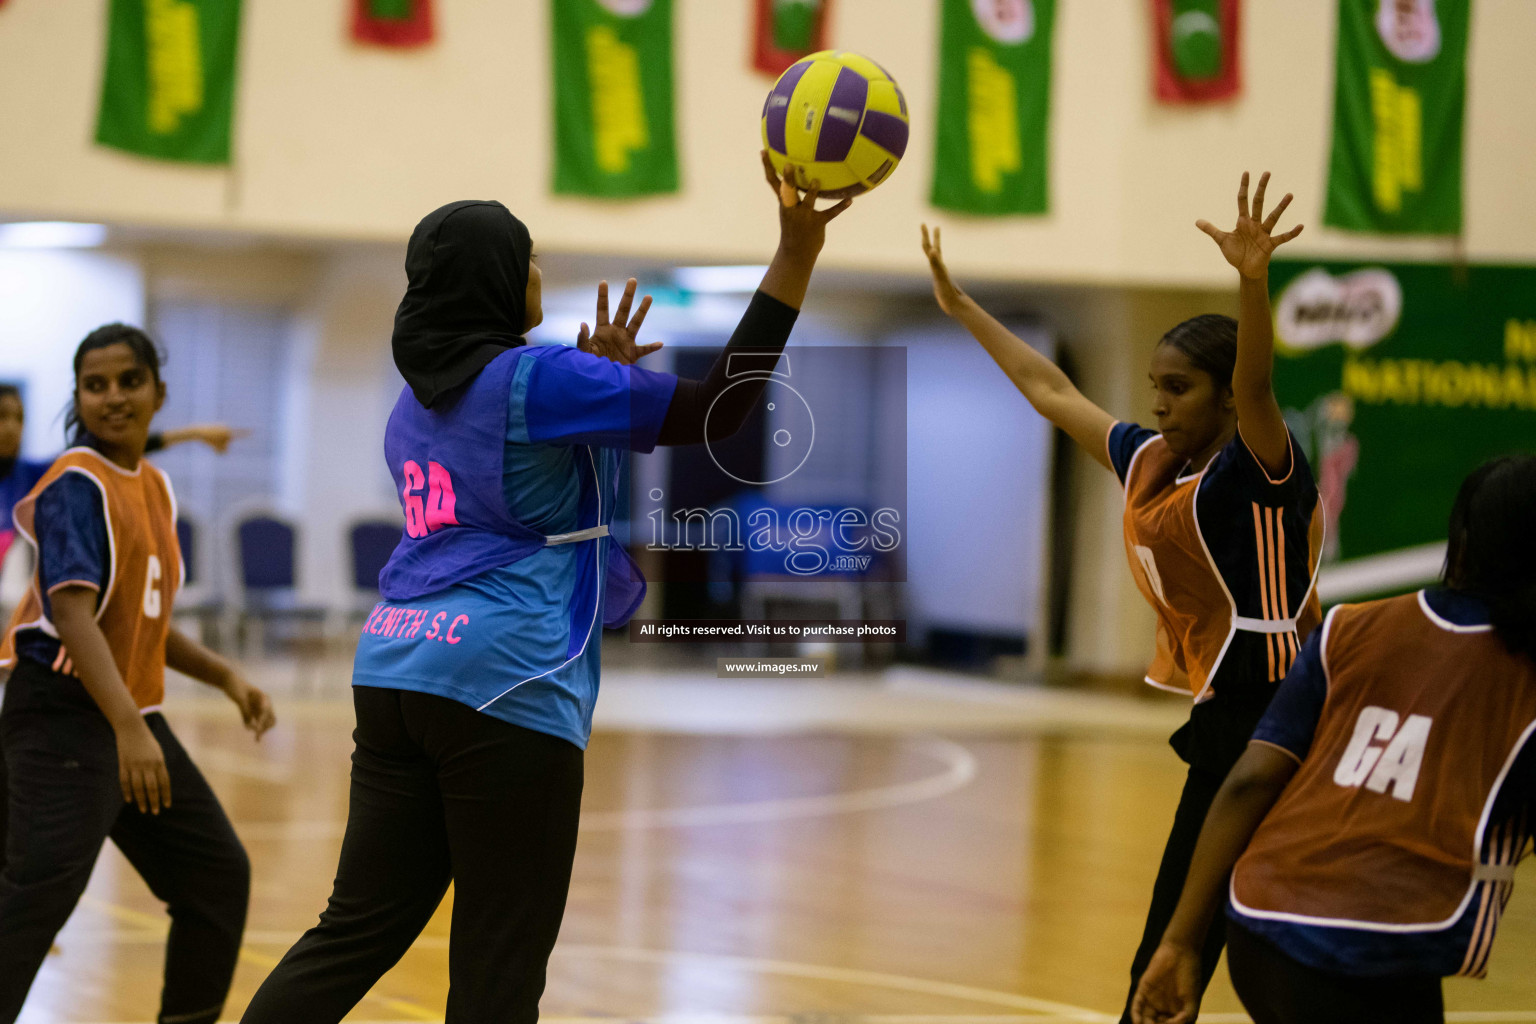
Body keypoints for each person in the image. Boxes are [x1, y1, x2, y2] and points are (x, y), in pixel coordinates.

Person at [239, 153, 849, 1023]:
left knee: (355, 930)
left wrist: (600, 388)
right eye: (523, 257)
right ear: (490, 278)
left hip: (394, 668)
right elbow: (723, 411)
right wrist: (795, 256)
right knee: (499, 964)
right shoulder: (541, 379)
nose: (537, 271)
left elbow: (521, 489)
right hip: (508, 681)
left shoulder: (412, 403)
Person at [922, 172, 1319, 1022]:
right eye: (1154, 384)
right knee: (1199, 921)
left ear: (1220, 394)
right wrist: (961, 307)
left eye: (1177, 388)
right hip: (1230, 705)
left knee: (1196, 927)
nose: (1158, 401)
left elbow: (1258, 387)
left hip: (1283, 700)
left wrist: (1253, 282)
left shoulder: (1259, 471)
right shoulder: (1152, 459)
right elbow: (1050, 391)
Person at [1132, 455, 1536, 1024]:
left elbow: (1249, 782)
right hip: (1367, 945)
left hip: (1262, 922)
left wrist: (1179, 940)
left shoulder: (1347, 627)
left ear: (1462, 538)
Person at [0, 324, 277, 1024]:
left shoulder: (150, 484)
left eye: (129, 381)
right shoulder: (74, 484)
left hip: (123, 714)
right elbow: (72, 614)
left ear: (158, 392)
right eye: (95, 385)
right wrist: (129, 727)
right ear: (79, 397)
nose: (113, 397)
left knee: (215, 876)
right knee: (34, 904)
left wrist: (224, 677)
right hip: (62, 715)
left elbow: (143, 621)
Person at [0, 380, 244, 570]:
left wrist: (196, 433)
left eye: (19, 418)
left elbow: (105, 450)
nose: (12, 427)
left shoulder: (28, 474)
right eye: (2, 416)